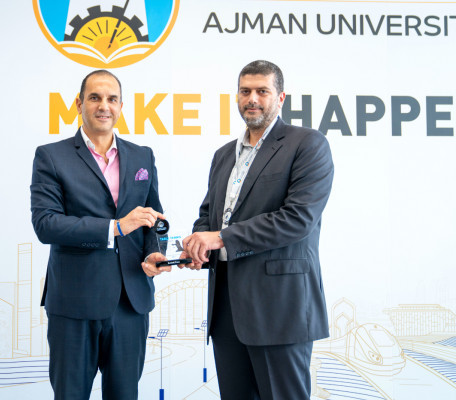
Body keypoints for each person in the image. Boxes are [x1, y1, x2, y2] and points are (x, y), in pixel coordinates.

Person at [180, 60, 334, 399]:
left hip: (280, 310)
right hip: (226, 311)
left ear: (280, 98)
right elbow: (210, 216)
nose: (253, 99)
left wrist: (220, 238)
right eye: (245, 91)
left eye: (262, 91)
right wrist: (197, 246)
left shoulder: (307, 144)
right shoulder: (224, 155)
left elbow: (297, 219)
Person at [30, 69, 170, 400]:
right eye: (94, 97)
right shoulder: (51, 156)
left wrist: (154, 252)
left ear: (121, 106)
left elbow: (153, 218)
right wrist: (115, 227)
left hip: (130, 303)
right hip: (74, 303)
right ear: (79, 104)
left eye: (111, 99)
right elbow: (46, 224)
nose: (103, 106)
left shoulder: (143, 155)